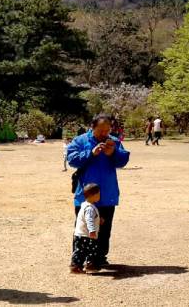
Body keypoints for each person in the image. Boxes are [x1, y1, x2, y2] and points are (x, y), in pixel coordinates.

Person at [66, 114, 130, 269]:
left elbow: (123, 160)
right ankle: (78, 260)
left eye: (107, 130)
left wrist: (112, 153)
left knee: (104, 228)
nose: (104, 134)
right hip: (86, 195)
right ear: (92, 127)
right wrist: (90, 153)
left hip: (107, 193)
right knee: (83, 228)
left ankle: (98, 258)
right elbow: (72, 159)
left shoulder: (113, 142)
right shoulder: (80, 140)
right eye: (101, 130)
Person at [71, 184, 103, 274]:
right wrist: (92, 230)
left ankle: (76, 266)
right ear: (93, 195)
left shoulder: (84, 205)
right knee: (91, 251)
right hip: (87, 235)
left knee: (79, 251)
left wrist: (98, 220)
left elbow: (89, 218)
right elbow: (89, 220)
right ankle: (90, 266)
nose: (100, 196)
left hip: (79, 234)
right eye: (99, 194)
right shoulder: (90, 208)